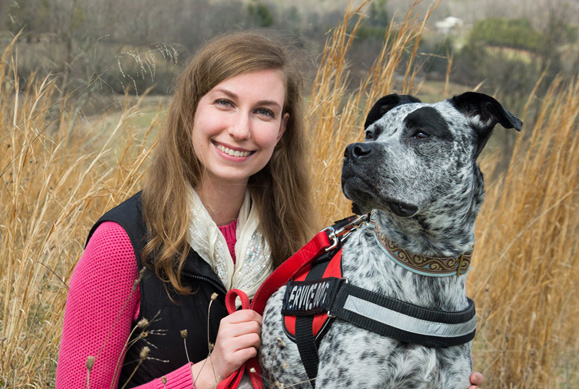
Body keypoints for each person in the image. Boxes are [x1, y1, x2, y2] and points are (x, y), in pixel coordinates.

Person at [56, 30, 484, 389]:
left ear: (282, 130)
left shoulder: (298, 246)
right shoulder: (122, 244)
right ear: (190, 110)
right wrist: (207, 372)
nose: (241, 130)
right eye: (224, 103)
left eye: (263, 112)